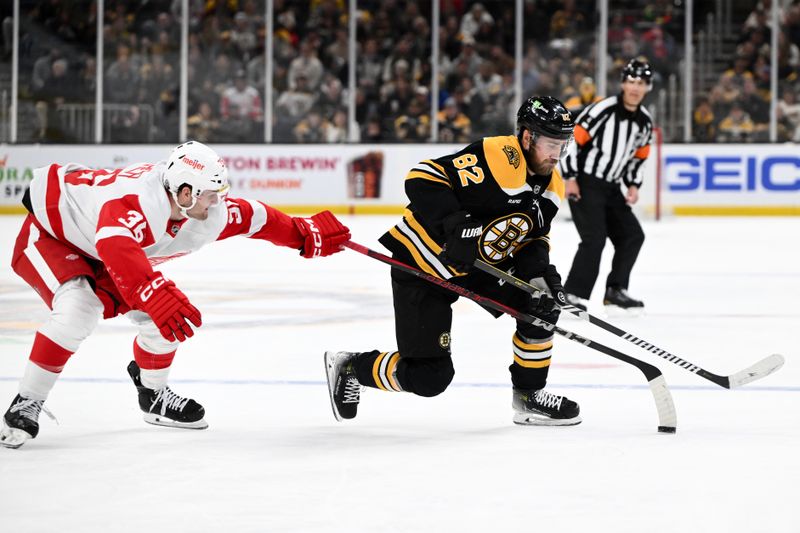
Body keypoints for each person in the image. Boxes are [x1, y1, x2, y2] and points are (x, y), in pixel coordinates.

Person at [0, 141, 351, 449]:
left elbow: (254, 217)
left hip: (105, 248)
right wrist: (148, 288)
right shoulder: (137, 202)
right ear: (185, 193)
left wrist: (303, 233)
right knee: (79, 308)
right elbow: (113, 241)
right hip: (54, 236)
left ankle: (152, 395)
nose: (218, 203)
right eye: (212, 194)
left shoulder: (202, 208)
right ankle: (26, 401)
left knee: (165, 318)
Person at [325, 96, 581, 427]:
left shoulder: (552, 187)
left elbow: (532, 238)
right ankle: (351, 367)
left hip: (476, 265)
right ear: (527, 136)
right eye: (550, 143)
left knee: (540, 306)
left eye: (562, 144)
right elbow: (422, 177)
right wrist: (455, 226)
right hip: (423, 260)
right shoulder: (498, 158)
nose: (556, 154)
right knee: (430, 377)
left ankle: (528, 397)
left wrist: (542, 274)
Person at [560, 59, 654, 314]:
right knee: (594, 239)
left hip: (612, 187)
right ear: (623, 83)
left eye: (641, 83)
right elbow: (572, 141)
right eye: (632, 82)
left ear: (648, 87)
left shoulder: (644, 121)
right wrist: (569, 177)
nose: (635, 88)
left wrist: (633, 185)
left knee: (632, 235)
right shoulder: (603, 109)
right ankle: (572, 294)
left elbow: (639, 156)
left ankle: (615, 291)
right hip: (586, 182)